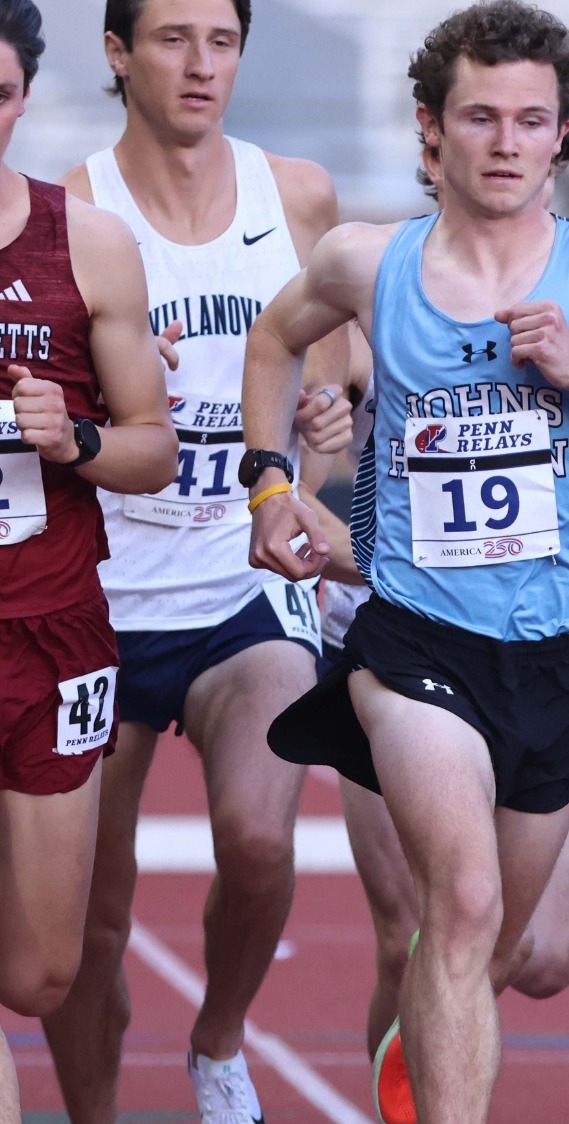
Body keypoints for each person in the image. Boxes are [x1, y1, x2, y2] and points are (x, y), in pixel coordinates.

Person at [239, 3, 569, 1118]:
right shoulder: (368, 261)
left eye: (530, 119)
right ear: (431, 132)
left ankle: (418, 1031)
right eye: (480, 118)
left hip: (558, 649)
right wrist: (271, 482)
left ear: (562, 135)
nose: (506, 141)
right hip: (413, 637)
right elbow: (273, 339)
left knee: (525, 947)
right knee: (458, 903)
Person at [41, 3, 354, 1119]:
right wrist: (111, 385)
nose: (201, 65)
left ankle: (219, 1040)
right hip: (102, 596)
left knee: (262, 836)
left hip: (243, 581)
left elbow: (343, 370)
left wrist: (327, 427)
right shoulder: (73, 210)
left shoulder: (298, 195)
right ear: (118, 54)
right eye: (172, 39)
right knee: (87, 919)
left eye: (221, 41)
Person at [0, 0, 180, 1117]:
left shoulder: (87, 242)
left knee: (40, 969)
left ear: (21, 95)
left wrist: (75, 439)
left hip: (59, 629)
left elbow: (156, 448)